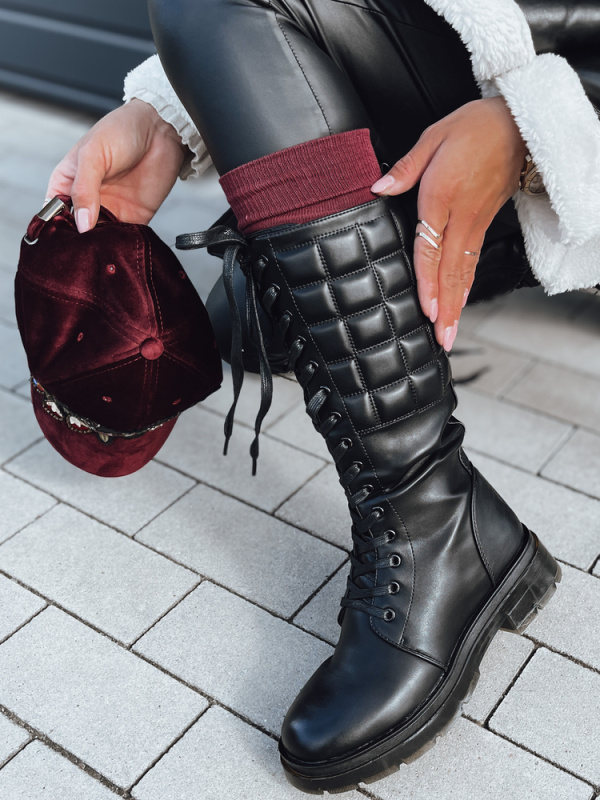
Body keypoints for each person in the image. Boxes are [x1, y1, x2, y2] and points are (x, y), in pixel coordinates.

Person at [46, 0, 600, 792]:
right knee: (256, 314)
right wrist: (165, 116)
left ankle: (426, 514)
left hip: (566, 116)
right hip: (450, 102)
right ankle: (473, 529)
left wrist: (530, 127)